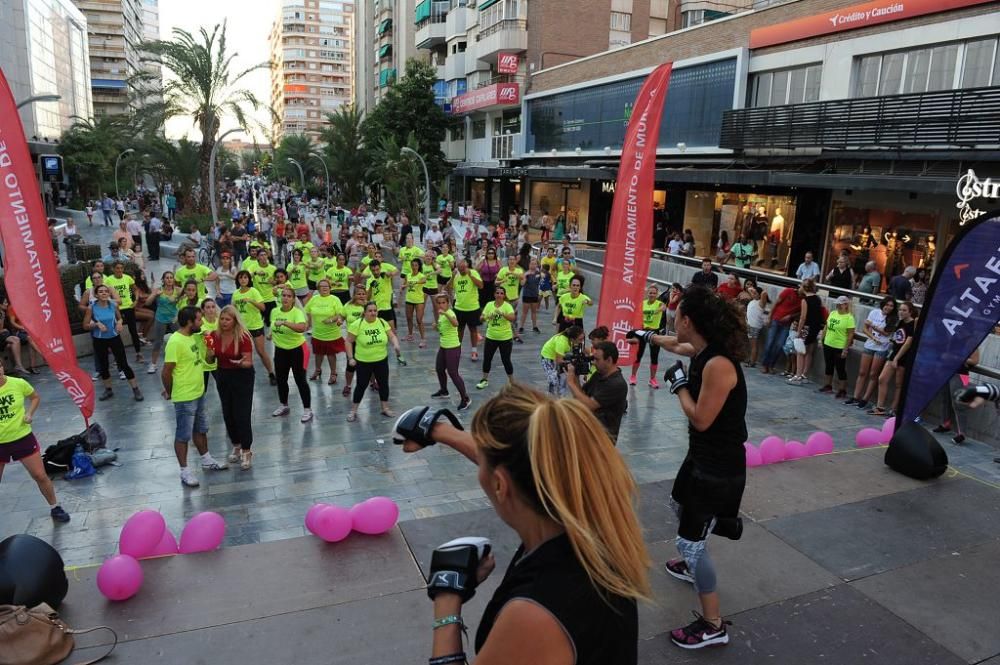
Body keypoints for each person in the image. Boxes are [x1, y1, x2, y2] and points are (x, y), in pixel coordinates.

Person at [396, 383, 649, 664]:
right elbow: (520, 459)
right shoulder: (594, 527)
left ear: (500, 485)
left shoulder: (535, 614)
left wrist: (447, 597)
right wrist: (442, 432)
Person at [627, 286, 748, 649]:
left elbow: (701, 419)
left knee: (689, 542)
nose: (671, 320)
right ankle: (696, 550)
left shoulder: (718, 364)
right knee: (678, 504)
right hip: (701, 459)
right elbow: (677, 345)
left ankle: (713, 625)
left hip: (717, 465)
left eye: (675, 315)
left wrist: (679, 385)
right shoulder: (703, 348)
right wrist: (647, 335)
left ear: (688, 320)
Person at [162, 306, 228, 487]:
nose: (202, 322)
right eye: (199, 320)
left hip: (199, 392)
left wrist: (210, 351)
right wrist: (170, 391)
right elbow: (166, 371)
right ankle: (184, 470)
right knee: (183, 434)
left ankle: (206, 459)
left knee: (201, 428)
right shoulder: (175, 342)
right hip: (184, 396)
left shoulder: (195, 336)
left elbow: (207, 360)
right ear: (189, 322)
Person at [0, 365, 70, 522]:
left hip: (22, 437)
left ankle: (55, 507)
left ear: (3, 368)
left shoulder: (18, 383)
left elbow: (35, 397)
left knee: (40, 475)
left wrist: (29, 413)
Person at [208, 305, 255, 469]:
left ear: (235, 321)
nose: (224, 322)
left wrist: (241, 362)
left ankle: (247, 450)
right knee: (228, 413)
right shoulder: (214, 335)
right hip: (223, 375)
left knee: (242, 414)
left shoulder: (243, 337)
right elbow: (209, 360)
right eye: (222, 318)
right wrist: (209, 351)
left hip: (242, 376)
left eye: (228, 319)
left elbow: (249, 362)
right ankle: (236, 444)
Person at [84, 285, 144, 402]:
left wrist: (119, 323)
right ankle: (108, 389)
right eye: (101, 292)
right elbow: (85, 325)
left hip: (114, 337)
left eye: (106, 291)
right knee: (104, 365)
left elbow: (119, 318)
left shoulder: (113, 304)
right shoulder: (91, 308)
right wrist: (96, 325)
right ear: (96, 295)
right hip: (99, 340)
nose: (104, 293)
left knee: (124, 364)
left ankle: (136, 389)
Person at [346, 302, 401, 421]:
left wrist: (396, 345)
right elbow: (348, 341)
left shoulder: (382, 322)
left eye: (375, 311)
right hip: (363, 361)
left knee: (384, 384)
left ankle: (385, 408)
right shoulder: (358, 324)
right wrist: (351, 358)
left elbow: (391, 336)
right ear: (364, 312)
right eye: (370, 311)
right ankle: (353, 410)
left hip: (381, 359)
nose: (373, 313)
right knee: (361, 385)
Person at [567, 341, 629, 443]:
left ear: (609, 360)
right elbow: (581, 396)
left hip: (601, 440)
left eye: (597, 359)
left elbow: (589, 405)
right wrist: (575, 376)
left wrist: (570, 383)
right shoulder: (599, 374)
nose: (593, 363)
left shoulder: (616, 384)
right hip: (588, 433)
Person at [270, 286, 313, 423]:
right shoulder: (275, 311)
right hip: (280, 350)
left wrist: (285, 323)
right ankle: (284, 405)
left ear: (293, 299)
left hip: (297, 350)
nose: (285, 298)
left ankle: (307, 409)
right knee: (281, 380)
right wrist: (271, 333)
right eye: (284, 295)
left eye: (289, 296)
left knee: (300, 380)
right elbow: (273, 325)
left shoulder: (296, 313)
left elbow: (302, 328)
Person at [845, 297, 897, 410]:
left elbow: (886, 333)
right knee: (862, 372)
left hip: (882, 348)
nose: (888, 307)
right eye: (887, 304)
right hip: (869, 345)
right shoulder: (874, 312)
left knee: (873, 374)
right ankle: (855, 397)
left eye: (891, 306)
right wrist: (872, 337)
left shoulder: (893, 318)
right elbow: (864, 328)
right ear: (883, 304)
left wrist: (873, 326)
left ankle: (865, 399)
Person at [868, 301, 917, 417]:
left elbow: (908, 343)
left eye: (904, 310)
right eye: (900, 309)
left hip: (903, 356)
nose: (901, 312)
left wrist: (897, 358)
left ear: (910, 312)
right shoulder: (900, 322)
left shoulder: (912, 324)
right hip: (894, 353)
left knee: (899, 384)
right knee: (882, 379)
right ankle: (880, 406)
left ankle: (894, 409)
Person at [232, 270, 277, 384]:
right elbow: (233, 310)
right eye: (241, 278)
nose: (243, 280)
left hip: (255, 325)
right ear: (238, 280)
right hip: (242, 327)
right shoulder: (236, 293)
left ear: (249, 279)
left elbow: (263, 308)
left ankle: (271, 373)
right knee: (241, 352)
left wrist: (251, 301)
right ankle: (245, 375)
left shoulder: (254, 291)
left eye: (245, 278)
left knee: (261, 351)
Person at [430, 293, 471, 410]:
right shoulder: (441, 315)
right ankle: (444, 391)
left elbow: (455, 324)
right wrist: (436, 326)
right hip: (444, 346)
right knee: (439, 368)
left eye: (444, 302)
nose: (441, 305)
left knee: (453, 373)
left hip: (452, 347)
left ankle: (465, 399)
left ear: (448, 303)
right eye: (439, 303)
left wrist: (445, 313)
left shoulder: (450, 313)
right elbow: (443, 329)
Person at [932, 349, 979, 445]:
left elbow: (975, 361)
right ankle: (945, 424)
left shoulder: (972, 341)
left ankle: (961, 433)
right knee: (945, 399)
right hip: (946, 371)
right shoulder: (954, 338)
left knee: (959, 403)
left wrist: (956, 358)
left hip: (960, 374)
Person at [304, 278, 346, 385]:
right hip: (317, 333)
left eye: (326, 286)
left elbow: (341, 314)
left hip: (332, 333)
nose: (324, 288)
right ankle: (318, 370)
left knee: (331, 354)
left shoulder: (335, 299)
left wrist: (331, 319)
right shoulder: (314, 299)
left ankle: (333, 373)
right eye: (321, 286)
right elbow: (307, 311)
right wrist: (308, 323)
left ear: (330, 288)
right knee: (318, 353)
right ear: (318, 288)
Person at [476, 285, 516, 390]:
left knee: (506, 360)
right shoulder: (489, 305)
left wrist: (503, 314)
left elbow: (512, 318)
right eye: (497, 293)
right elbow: (481, 319)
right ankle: (484, 380)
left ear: (504, 295)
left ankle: (512, 382)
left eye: (501, 293)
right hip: (491, 337)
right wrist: (488, 317)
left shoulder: (507, 306)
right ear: (494, 294)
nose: (499, 295)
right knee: (487, 359)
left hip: (505, 338)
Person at [104, 261, 144, 363]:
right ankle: (117, 357)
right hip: (116, 308)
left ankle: (138, 353)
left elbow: (135, 289)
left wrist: (136, 300)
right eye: (117, 268)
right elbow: (105, 294)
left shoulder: (127, 278)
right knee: (115, 332)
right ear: (113, 269)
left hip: (128, 307)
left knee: (133, 331)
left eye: (121, 268)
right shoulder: (108, 280)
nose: (120, 270)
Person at [817, 296, 856, 398]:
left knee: (840, 368)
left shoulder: (849, 318)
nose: (838, 306)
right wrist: (822, 339)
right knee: (829, 365)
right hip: (828, 343)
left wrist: (845, 349)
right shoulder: (833, 313)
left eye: (840, 304)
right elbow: (826, 327)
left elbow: (850, 335)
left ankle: (842, 389)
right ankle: (827, 385)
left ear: (846, 305)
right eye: (837, 304)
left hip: (839, 346)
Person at [787, 279, 824, 385]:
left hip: (806, 328)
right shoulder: (817, 298)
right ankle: (804, 374)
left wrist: (799, 331)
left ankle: (798, 375)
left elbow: (803, 317)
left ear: (804, 287)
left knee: (800, 352)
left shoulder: (805, 300)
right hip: (815, 328)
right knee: (809, 352)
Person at [630, 285, 667, 387]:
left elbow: (664, 307)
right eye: (650, 293)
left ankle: (652, 379)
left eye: (654, 293)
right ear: (647, 293)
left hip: (654, 333)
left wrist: (661, 309)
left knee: (654, 356)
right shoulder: (642, 304)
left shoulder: (659, 303)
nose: (652, 295)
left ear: (657, 294)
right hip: (642, 331)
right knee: (638, 355)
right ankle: (633, 376)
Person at [451, 259, 484, 362]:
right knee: (459, 330)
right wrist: (452, 277)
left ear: (466, 266)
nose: (462, 270)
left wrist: (470, 275)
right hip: (459, 307)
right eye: (460, 268)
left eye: (464, 268)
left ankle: (474, 351)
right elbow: (449, 288)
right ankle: (458, 350)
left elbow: (480, 285)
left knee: (473, 330)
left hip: (472, 307)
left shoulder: (473, 272)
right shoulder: (456, 275)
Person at [539, 325, 583, 397]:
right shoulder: (562, 342)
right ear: (572, 339)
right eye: (580, 339)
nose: (582, 341)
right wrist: (571, 364)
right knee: (554, 380)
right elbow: (559, 361)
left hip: (559, 356)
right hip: (548, 357)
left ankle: (561, 397)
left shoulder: (571, 340)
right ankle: (551, 397)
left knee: (562, 379)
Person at [340, 287, 368, 398]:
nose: (361, 296)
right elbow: (341, 317)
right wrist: (338, 321)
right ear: (354, 295)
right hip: (352, 341)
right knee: (350, 365)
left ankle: (373, 382)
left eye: (363, 294)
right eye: (359, 294)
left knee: (370, 364)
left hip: (366, 340)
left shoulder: (368, 306)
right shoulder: (347, 306)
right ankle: (348, 385)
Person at [497, 255, 526, 344]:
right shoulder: (503, 270)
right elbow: (496, 282)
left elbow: (522, 279)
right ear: (508, 261)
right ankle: (515, 335)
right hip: (504, 298)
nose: (512, 261)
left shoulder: (519, 270)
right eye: (510, 259)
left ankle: (508, 333)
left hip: (514, 298)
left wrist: (512, 274)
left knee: (508, 317)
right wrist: (502, 281)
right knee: (508, 317)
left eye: (513, 259)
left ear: (516, 261)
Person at [364, 259, 399, 332]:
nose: (376, 272)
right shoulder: (369, 280)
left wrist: (389, 274)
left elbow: (396, 271)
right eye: (373, 270)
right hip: (376, 310)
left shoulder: (384, 276)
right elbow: (367, 298)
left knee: (392, 333)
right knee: (378, 332)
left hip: (387, 308)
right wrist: (371, 287)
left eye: (377, 269)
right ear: (370, 270)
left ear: (380, 268)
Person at [401, 258, 428, 346]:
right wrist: (402, 287)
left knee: (419, 320)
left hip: (419, 300)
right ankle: (410, 334)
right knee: (409, 318)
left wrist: (415, 282)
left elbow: (424, 280)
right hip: (409, 299)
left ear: (419, 266)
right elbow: (404, 284)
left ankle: (423, 339)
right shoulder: (408, 275)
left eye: (416, 265)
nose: (414, 267)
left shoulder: (421, 275)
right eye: (412, 265)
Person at [518, 258, 542, 334]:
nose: (533, 265)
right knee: (525, 312)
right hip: (526, 295)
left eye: (535, 264)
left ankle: (535, 326)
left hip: (534, 294)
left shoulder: (539, 273)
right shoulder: (526, 273)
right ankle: (521, 327)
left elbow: (544, 279)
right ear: (529, 265)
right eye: (532, 264)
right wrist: (525, 276)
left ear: (537, 265)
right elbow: (522, 284)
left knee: (534, 312)